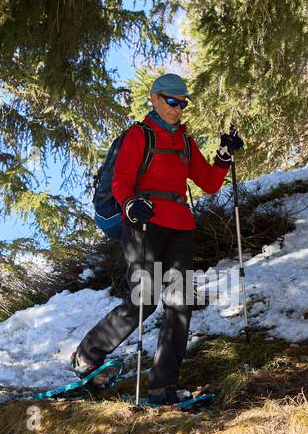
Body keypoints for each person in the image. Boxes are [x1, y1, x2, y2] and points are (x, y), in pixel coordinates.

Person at [73, 72, 244, 405]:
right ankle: (87, 355)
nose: (178, 108)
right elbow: (122, 179)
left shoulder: (183, 140)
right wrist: (131, 203)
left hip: (181, 227)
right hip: (144, 223)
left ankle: (162, 388)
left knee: (181, 304)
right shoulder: (140, 135)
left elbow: (208, 182)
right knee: (145, 299)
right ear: (154, 98)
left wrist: (224, 155)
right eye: (172, 101)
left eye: (183, 103)